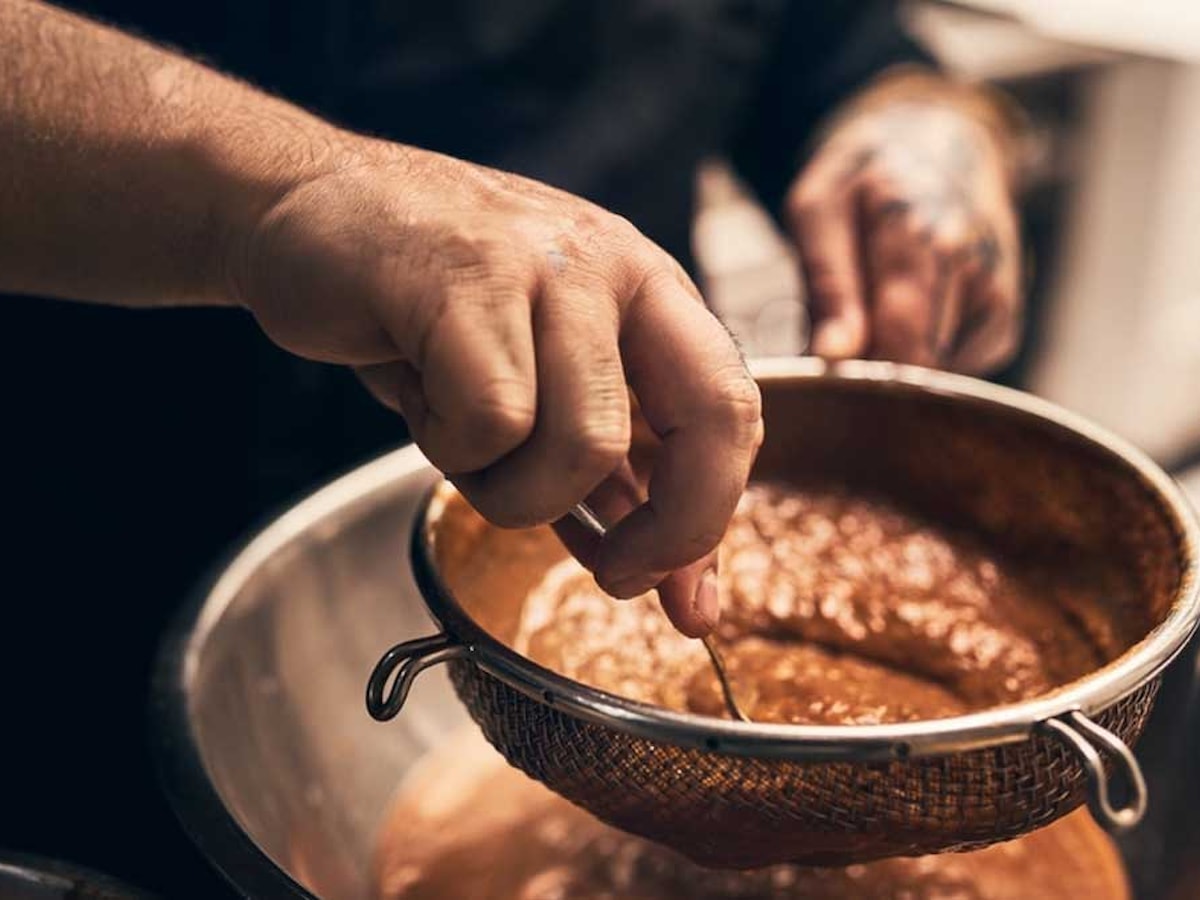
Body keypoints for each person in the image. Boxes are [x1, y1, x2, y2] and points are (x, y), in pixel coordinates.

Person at [0, 0, 1024, 893]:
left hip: (626, 479)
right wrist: (281, 191)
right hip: (74, 601)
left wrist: (922, 118)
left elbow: (841, 50)